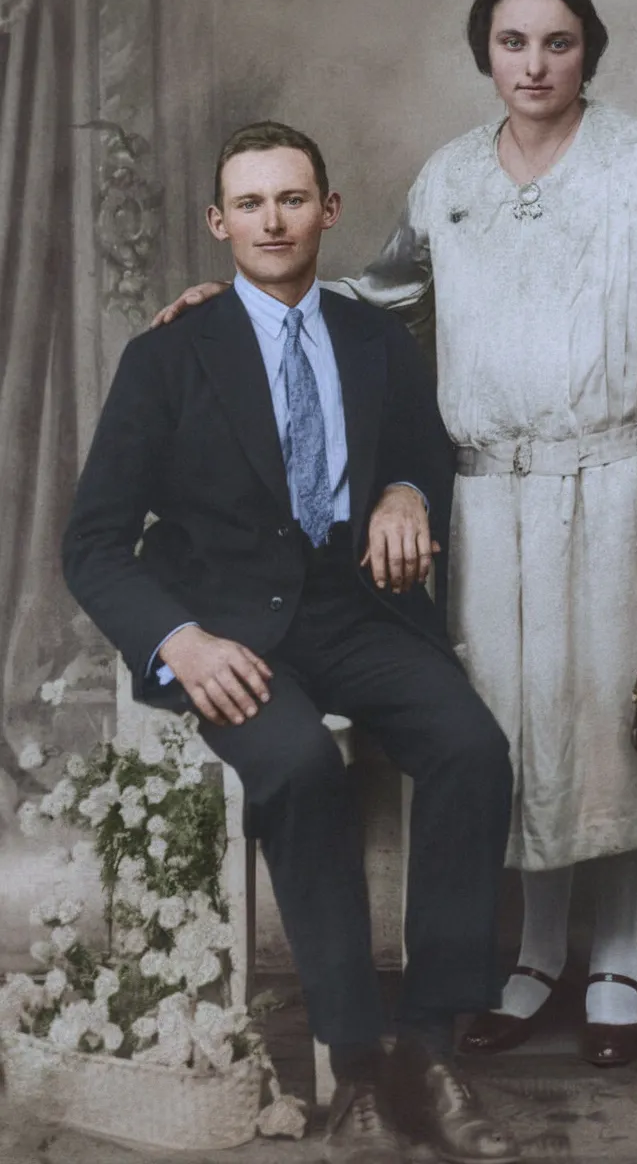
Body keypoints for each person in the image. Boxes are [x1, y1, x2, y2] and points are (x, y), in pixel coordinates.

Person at [152, 0, 637, 1068]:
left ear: (587, 54)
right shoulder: (451, 176)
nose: (534, 64)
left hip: (617, 479)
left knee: (612, 729)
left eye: (558, 43)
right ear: (486, 56)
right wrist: (222, 303)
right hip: (487, 495)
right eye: (512, 42)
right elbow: (373, 300)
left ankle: (615, 958)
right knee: (511, 731)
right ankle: (534, 955)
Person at [62, 121, 519, 1164]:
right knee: (302, 765)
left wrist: (406, 489)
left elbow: (421, 453)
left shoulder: (375, 342)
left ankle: (431, 1048)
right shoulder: (169, 354)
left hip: (352, 612)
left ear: (330, 211)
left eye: (293, 199)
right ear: (221, 222)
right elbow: (93, 545)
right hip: (225, 629)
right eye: (252, 204)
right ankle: (355, 1066)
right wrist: (180, 641)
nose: (274, 221)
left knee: (471, 747)